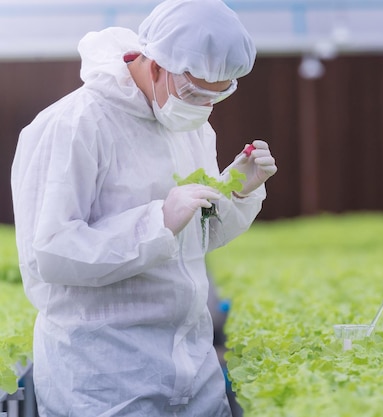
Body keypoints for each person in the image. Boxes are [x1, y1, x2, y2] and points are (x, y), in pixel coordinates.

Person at [10, 0, 277, 415]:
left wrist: (238, 190)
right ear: (153, 65)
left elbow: (197, 236)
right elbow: (51, 252)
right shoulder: (74, 124)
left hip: (193, 373)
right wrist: (156, 223)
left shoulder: (186, 125)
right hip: (104, 380)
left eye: (217, 95)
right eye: (194, 92)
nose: (204, 109)